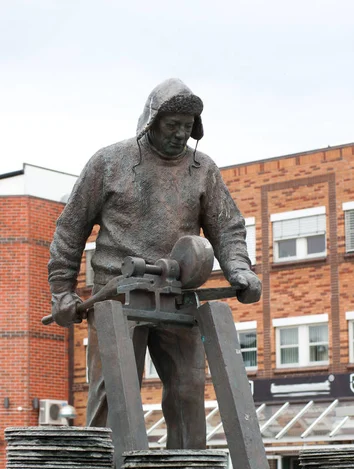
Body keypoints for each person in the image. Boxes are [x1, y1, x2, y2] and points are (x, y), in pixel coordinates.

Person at [48, 78, 261, 448]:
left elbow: (227, 227)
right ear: (151, 121)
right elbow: (70, 227)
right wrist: (61, 291)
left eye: (188, 126)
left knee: (188, 391)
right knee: (111, 394)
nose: (181, 134)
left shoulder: (202, 169)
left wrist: (239, 268)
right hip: (116, 296)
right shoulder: (109, 162)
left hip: (177, 295)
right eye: (172, 125)